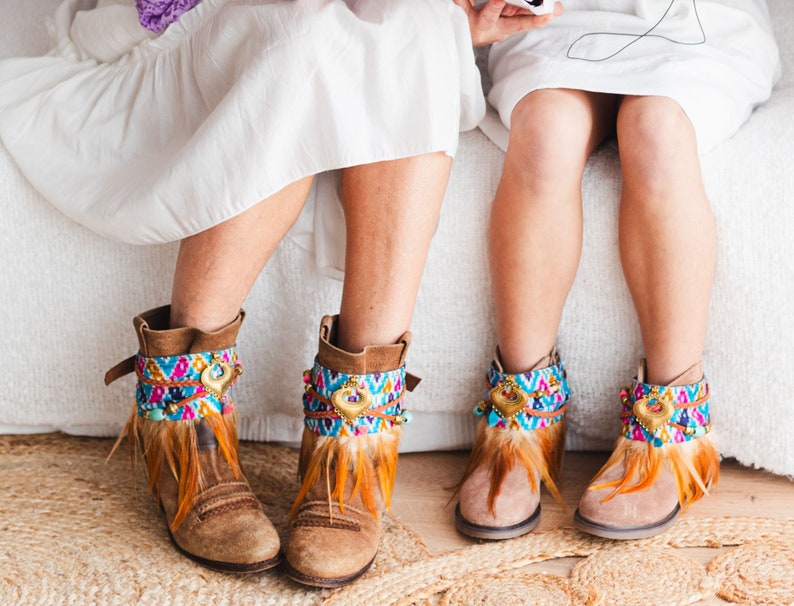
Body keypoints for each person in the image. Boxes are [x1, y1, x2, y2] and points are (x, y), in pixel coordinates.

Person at [0, 0, 553, 588]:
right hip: (177, 21)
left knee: (417, 24)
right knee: (309, 32)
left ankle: (351, 434)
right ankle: (187, 424)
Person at [454, 0, 780, 541]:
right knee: (545, 132)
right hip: (563, 20)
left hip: (696, 23)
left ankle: (672, 421)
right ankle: (520, 414)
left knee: (655, 130)